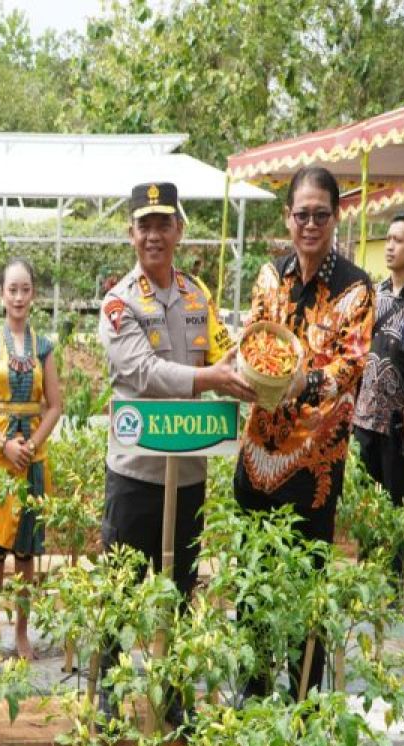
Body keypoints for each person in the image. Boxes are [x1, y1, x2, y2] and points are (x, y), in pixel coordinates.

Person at [98, 182, 254, 716]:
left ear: (180, 231)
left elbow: (221, 348)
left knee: (182, 587)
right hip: (135, 470)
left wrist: (244, 360)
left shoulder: (197, 295)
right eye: (144, 225)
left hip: (189, 472)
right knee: (120, 589)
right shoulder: (119, 302)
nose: (154, 235)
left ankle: (176, 697)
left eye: (164, 223)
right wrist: (211, 375)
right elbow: (140, 371)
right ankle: (108, 695)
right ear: (131, 234)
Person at [235, 166, 374, 700]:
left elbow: (351, 366)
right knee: (252, 586)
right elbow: (255, 338)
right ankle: (252, 694)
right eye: (301, 214)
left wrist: (304, 380)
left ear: (336, 217)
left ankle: (300, 707)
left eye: (320, 214)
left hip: (314, 469)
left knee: (303, 591)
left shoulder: (355, 288)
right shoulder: (270, 277)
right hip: (256, 460)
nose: (309, 224)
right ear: (288, 218)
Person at [0, 258, 62, 661]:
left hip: (32, 458)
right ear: (0, 295)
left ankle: (23, 632)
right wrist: (5, 443)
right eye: (12, 289)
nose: (19, 296)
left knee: (26, 552)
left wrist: (30, 445)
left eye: (25, 289)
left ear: (34, 295)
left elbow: (55, 405)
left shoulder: (44, 347)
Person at [353, 210, 404, 582]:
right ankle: (366, 581)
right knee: (366, 507)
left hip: (400, 426)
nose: (389, 247)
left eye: (397, 240)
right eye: (387, 239)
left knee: (399, 505)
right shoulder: (373, 296)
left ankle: (396, 585)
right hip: (364, 418)